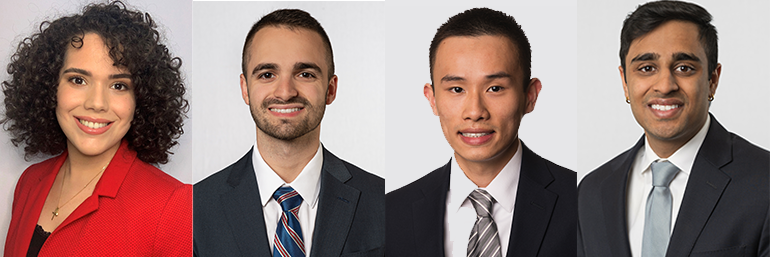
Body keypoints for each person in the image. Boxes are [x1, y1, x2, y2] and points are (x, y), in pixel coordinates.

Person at [577, 1, 770, 256]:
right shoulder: (592, 191)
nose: (665, 85)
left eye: (684, 68)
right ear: (625, 82)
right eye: (647, 68)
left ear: (713, 80)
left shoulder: (763, 182)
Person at [1, 1, 192, 256]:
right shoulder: (29, 182)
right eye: (78, 80)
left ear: (141, 98)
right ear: (50, 87)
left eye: (119, 85)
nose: (97, 103)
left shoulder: (174, 206)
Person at [386, 8, 576, 257]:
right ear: (432, 99)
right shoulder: (391, 214)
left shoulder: (579, 201)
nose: (475, 112)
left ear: (530, 96)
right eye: (456, 89)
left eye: (495, 88)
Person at [193, 9, 384, 257]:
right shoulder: (196, 210)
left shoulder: (384, 205)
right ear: (245, 89)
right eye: (267, 75)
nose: (285, 92)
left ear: (330, 89)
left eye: (305, 74)